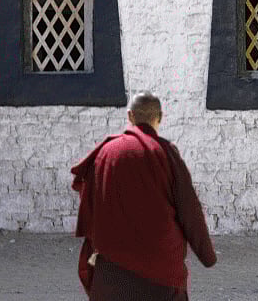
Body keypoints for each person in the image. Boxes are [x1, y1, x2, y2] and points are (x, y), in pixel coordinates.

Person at [71, 91, 217, 300]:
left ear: (130, 116)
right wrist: (207, 255)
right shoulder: (164, 153)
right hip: (160, 271)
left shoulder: (106, 153)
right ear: (159, 117)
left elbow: (92, 206)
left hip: (113, 270)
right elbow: (189, 210)